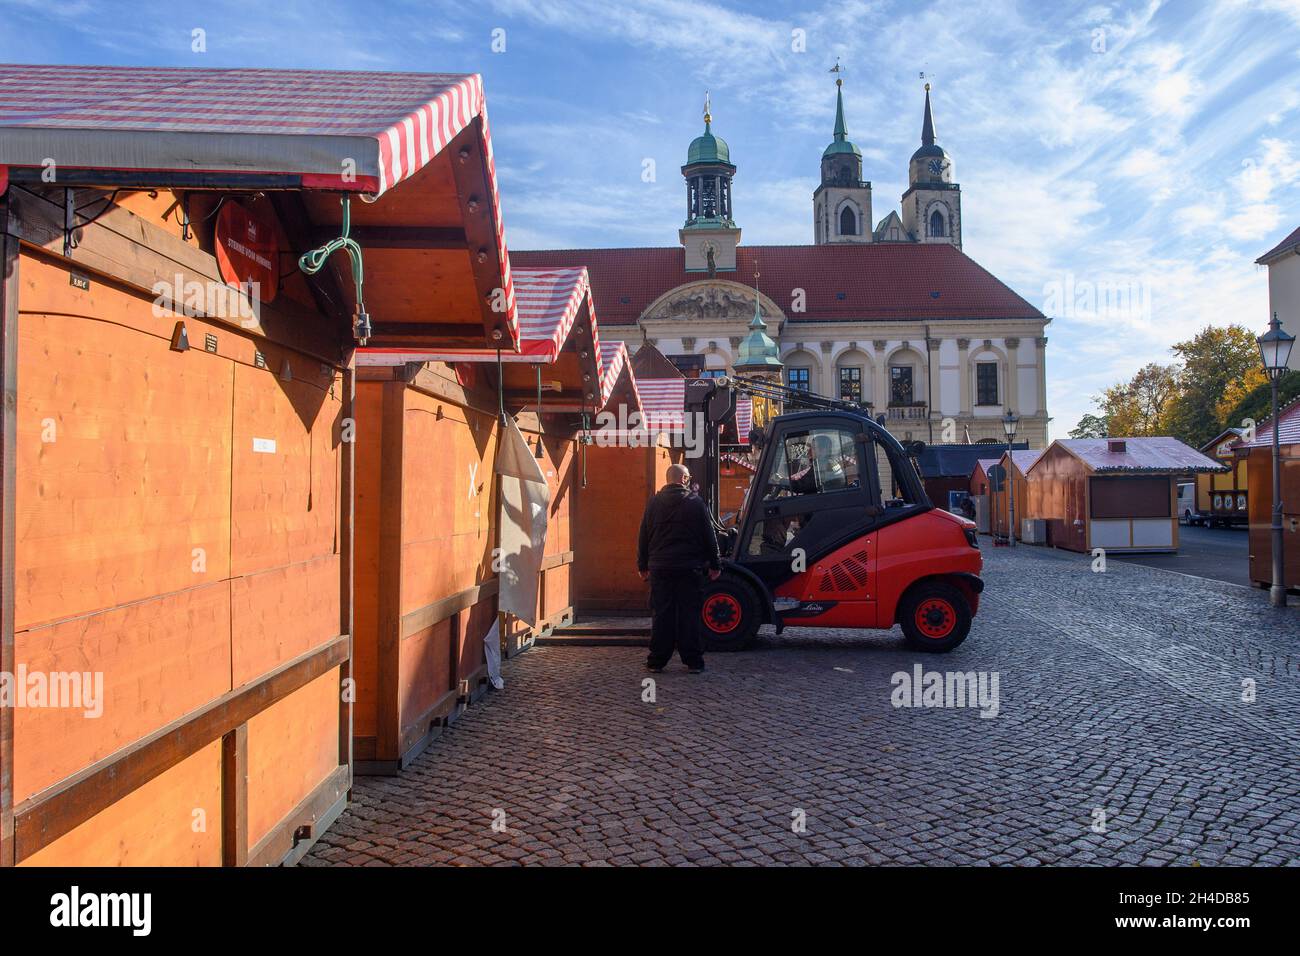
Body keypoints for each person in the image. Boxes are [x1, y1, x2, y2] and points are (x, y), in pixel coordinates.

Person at [636, 463, 721, 673]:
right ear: (684, 479)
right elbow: (709, 536)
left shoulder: (653, 503)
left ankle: (656, 661)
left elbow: (643, 536)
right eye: (689, 477)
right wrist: (715, 563)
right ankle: (693, 662)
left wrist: (643, 564)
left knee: (662, 614)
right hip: (689, 568)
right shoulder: (695, 502)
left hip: (660, 567)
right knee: (689, 614)